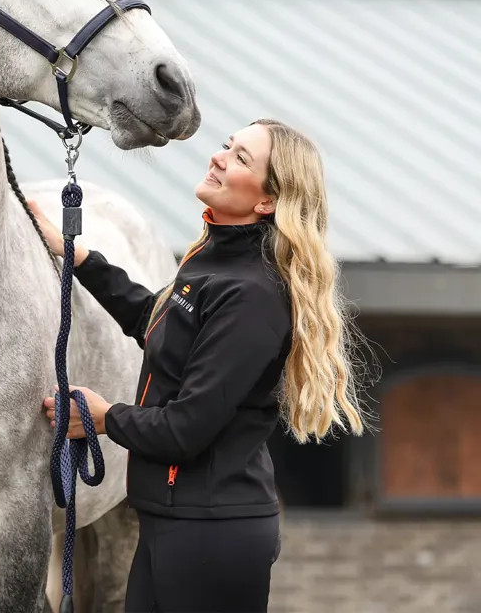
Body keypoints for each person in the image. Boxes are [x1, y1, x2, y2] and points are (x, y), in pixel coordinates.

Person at [28, 118, 368, 613]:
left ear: (267, 201)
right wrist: (79, 257)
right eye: (228, 146)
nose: (219, 157)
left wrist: (104, 418)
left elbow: (186, 427)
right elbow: (157, 324)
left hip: (211, 537)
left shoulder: (252, 293)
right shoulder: (212, 260)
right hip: (175, 524)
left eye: (241, 158)